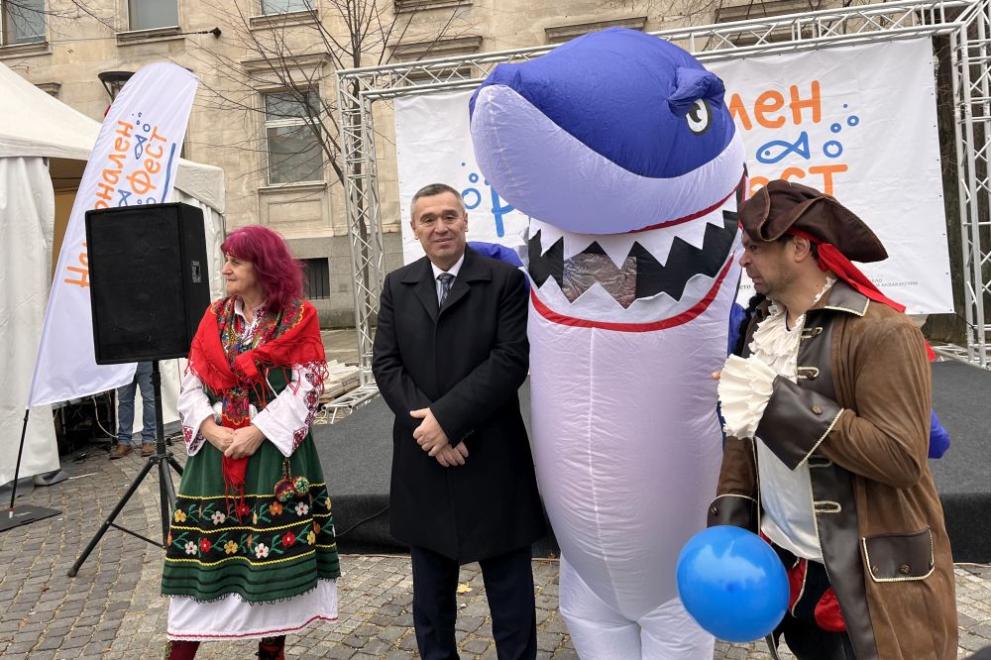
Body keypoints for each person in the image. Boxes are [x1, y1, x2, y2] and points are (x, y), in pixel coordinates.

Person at [710, 180, 957, 659]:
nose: (744, 260)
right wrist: (730, 525)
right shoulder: (762, 324)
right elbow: (743, 436)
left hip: (866, 578)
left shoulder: (881, 332)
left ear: (799, 248)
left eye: (755, 247)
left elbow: (901, 457)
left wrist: (779, 405)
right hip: (788, 559)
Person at [372, 183, 546, 660]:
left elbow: (510, 360)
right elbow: (386, 365)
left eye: (449, 216)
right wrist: (431, 432)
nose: (440, 226)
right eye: (428, 219)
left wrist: (447, 421)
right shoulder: (397, 286)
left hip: (491, 456)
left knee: (511, 597)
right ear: (414, 229)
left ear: (465, 221)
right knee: (431, 602)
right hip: (424, 458)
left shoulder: (503, 281)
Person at [161, 225, 339, 660]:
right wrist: (211, 429)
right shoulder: (215, 316)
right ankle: (181, 652)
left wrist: (257, 432)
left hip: (272, 455)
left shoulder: (298, 317)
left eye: (235, 261)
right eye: (226, 260)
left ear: (264, 266)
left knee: (270, 561)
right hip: (216, 457)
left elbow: (308, 386)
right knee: (200, 559)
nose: (225, 269)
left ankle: (271, 651)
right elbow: (192, 382)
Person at [109, 361, 156, 459]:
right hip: (123, 361)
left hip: (145, 358)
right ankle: (124, 442)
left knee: (149, 400)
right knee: (124, 402)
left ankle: (148, 440)